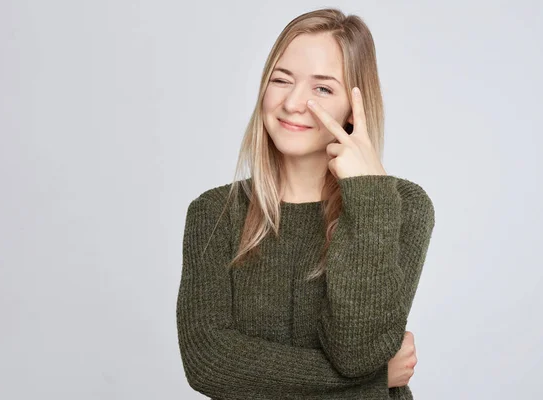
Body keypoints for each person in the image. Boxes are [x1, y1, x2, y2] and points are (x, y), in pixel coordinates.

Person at [177, 7, 435, 399]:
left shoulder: (400, 206)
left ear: (354, 106)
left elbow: (357, 352)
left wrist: (368, 195)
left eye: (323, 88)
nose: (294, 103)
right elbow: (209, 363)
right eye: (281, 80)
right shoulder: (214, 214)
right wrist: (375, 380)